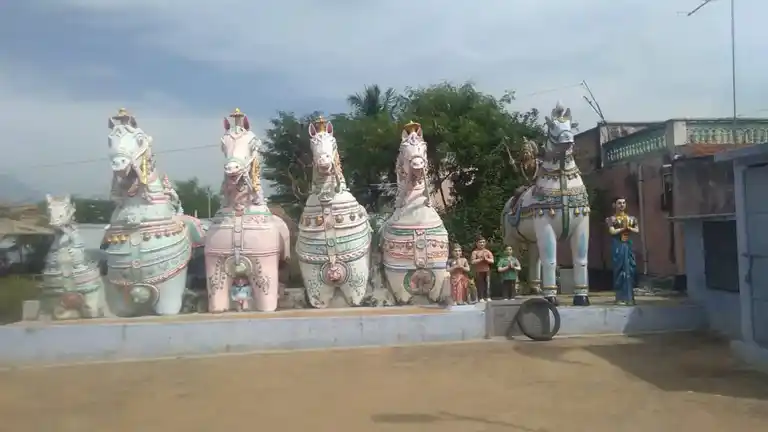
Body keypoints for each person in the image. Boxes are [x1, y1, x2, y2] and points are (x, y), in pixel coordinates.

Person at [606, 197, 639, 305]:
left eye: (624, 203)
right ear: (614, 205)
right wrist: (622, 229)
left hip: (628, 246)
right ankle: (620, 297)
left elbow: (637, 230)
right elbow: (612, 231)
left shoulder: (631, 218)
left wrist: (629, 228)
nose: (622, 205)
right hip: (618, 247)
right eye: (619, 203)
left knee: (630, 269)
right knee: (619, 270)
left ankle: (630, 297)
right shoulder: (612, 219)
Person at [470, 236, 494, 302]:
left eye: (483, 242)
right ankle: (481, 297)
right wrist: (480, 259)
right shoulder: (475, 252)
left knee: (487, 283)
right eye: (480, 242)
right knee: (480, 284)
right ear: (477, 243)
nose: (482, 244)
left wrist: (486, 259)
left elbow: (492, 261)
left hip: (487, 270)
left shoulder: (487, 251)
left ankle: (488, 296)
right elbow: (472, 261)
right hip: (478, 271)